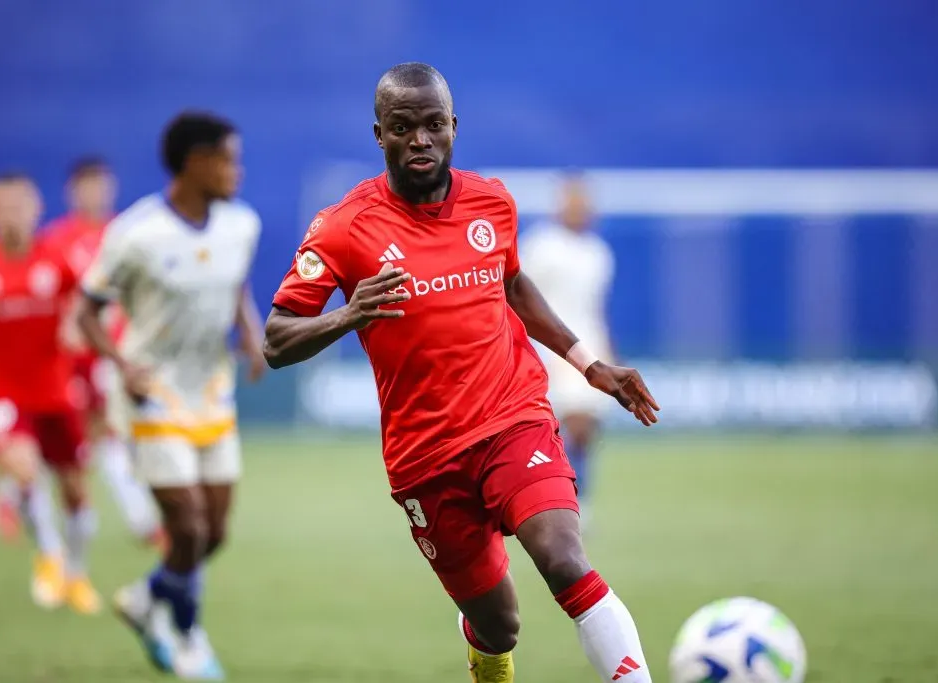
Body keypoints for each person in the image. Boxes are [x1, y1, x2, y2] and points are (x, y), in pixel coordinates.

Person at [265, 63, 659, 683]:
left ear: (453, 127)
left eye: (431, 125)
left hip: (513, 417)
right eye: (402, 128)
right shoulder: (344, 227)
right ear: (379, 135)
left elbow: (513, 283)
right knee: (500, 624)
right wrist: (351, 314)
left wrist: (587, 364)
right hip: (426, 456)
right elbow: (276, 339)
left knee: (564, 559)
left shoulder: (492, 202)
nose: (419, 140)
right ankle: (484, 646)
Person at [75, 112, 265, 680]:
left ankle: (145, 598)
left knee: (216, 531)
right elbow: (86, 310)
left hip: (211, 389)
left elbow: (235, 284)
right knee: (187, 527)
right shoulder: (136, 236)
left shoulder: (242, 225)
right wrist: (117, 365)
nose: (237, 170)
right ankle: (186, 636)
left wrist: (250, 333)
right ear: (194, 162)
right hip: (150, 389)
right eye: (227, 159)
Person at [0, 172, 101, 615]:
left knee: (76, 493)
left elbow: (83, 305)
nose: (10, 217)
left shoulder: (58, 260)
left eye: (18, 207)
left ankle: (77, 574)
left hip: (58, 393)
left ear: (36, 211)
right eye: (1, 208)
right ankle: (50, 554)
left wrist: (73, 326)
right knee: (24, 469)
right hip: (4, 395)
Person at [44, 157, 163, 548]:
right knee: (84, 442)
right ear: (72, 192)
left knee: (108, 433)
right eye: (86, 186)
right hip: (70, 358)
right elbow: (54, 295)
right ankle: (21, 495)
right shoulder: (56, 240)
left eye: (101, 185)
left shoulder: (123, 233)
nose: (94, 194)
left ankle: (142, 520)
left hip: (113, 351)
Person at [520, 175, 617, 522]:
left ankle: (579, 500)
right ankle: (555, 500)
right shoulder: (541, 246)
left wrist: (609, 352)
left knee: (585, 427)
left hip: (589, 343)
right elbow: (520, 296)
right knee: (561, 425)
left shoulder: (598, 253)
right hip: (550, 345)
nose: (580, 210)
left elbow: (596, 310)